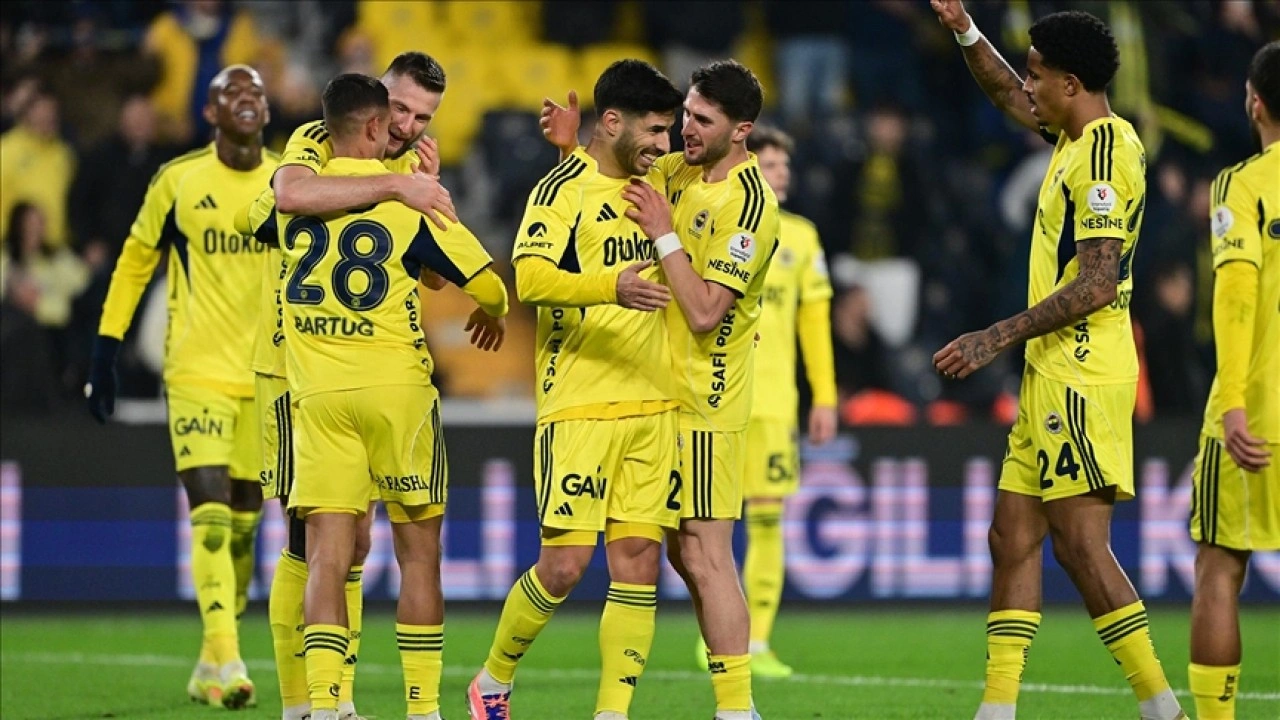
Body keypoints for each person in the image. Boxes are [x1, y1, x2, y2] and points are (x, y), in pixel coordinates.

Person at [927, 3, 1185, 720]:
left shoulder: (1102, 156)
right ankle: (997, 709)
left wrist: (995, 336)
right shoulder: (1074, 136)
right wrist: (964, 30)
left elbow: (1097, 283)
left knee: (1079, 545)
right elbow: (1006, 95)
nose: (1028, 85)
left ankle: (1162, 708)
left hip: (1081, 370)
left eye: (1038, 74)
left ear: (1071, 84)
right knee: (1011, 537)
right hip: (1051, 369)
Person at [284, 73, 507, 720]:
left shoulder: (294, 199)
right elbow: (489, 285)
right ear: (377, 126)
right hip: (396, 394)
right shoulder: (408, 199)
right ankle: (422, 709)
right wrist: (491, 310)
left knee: (326, 557)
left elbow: (267, 209)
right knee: (418, 555)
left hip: (318, 393)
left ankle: (323, 703)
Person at [465, 58, 683, 720]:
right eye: (654, 130)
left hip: (653, 399)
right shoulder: (560, 189)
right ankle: (493, 678)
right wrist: (610, 286)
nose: (664, 144)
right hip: (581, 401)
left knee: (639, 560)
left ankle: (612, 713)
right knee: (562, 567)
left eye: (669, 131)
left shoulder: (657, 181)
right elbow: (529, 278)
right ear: (612, 121)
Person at [245, 51, 458, 720]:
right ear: (375, 100)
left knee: (354, 543)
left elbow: (430, 274)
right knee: (310, 541)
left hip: (358, 369)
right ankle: (299, 705)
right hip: (293, 365)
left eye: (423, 118)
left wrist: (427, 198)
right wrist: (398, 189)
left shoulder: (411, 162)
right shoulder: (317, 138)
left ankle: (337, 700)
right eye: (401, 110)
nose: (408, 126)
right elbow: (290, 195)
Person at [84, 65, 277, 710]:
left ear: (267, 112)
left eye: (256, 92)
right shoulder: (179, 180)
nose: (246, 99)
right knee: (212, 519)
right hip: (195, 371)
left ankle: (208, 661)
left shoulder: (290, 181)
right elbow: (135, 260)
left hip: (265, 377)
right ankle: (229, 658)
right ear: (210, 113)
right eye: (231, 92)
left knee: (246, 526)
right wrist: (106, 349)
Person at [622, 60, 778, 720]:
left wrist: (663, 232)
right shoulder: (681, 171)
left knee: (706, 554)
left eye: (703, 120)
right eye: (687, 113)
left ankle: (738, 710)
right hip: (656, 390)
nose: (686, 128)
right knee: (682, 555)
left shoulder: (749, 204)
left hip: (707, 403)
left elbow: (707, 311)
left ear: (741, 130)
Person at [709, 125, 837, 678]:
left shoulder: (802, 238)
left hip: (773, 405)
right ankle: (717, 635)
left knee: (766, 523)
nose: (784, 173)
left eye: (786, 164)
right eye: (772, 164)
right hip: (715, 397)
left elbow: (815, 323)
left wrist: (824, 397)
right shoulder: (717, 223)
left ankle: (755, 642)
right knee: (706, 529)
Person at [1187, 40, 1279, 720]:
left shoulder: (1241, 185)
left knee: (1220, 567)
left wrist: (1236, 404)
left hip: (1258, 412)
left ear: (1255, 104)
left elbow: (1237, 296)